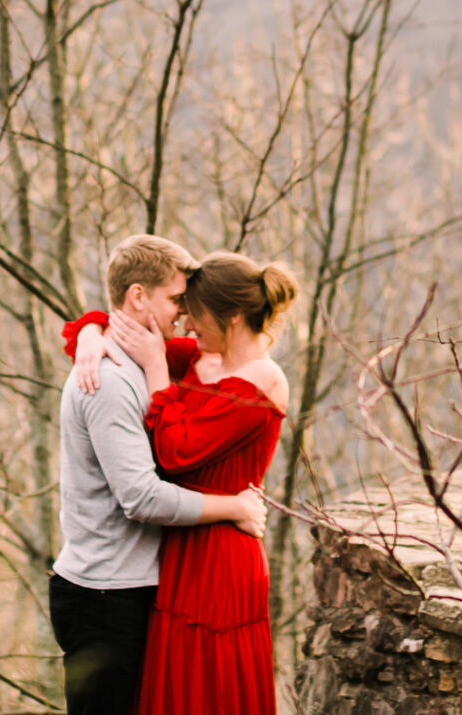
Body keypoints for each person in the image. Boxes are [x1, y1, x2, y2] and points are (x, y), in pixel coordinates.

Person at [66, 251, 297, 715]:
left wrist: (156, 370)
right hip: (175, 551)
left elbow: (176, 450)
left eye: (195, 313)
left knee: (209, 687)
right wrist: (91, 333)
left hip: (221, 556)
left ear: (230, 316)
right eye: (183, 309)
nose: (187, 324)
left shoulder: (263, 381)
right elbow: (122, 333)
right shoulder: (197, 359)